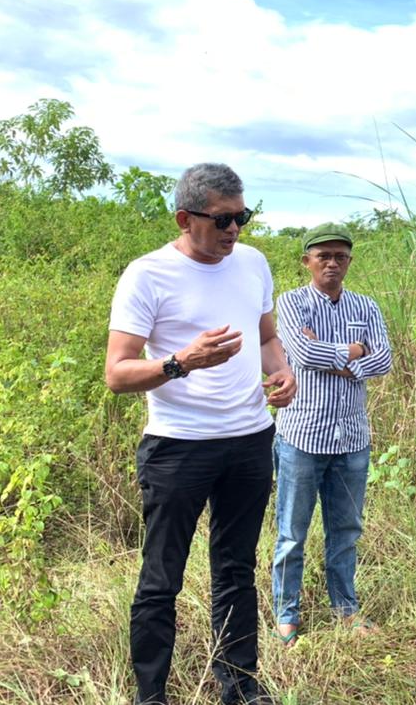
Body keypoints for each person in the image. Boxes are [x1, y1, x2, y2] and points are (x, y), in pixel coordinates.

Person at [105, 163, 297, 705]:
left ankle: (241, 688)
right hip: (178, 445)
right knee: (161, 577)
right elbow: (117, 373)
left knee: (237, 567)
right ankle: (151, 696)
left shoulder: (253, 263)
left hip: (250, 439)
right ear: (185, 218)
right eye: (222, 221)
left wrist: (281, 372)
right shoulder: (147, 274)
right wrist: (180, 363)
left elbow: (266, 337)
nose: (235, 230)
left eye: (243, 217)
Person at [270, 223, 392, 644]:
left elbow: (383, 361)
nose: (332, 263)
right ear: (307, 261)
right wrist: (355, 350)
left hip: (352, 439)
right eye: (323, 256)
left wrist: (340, 357)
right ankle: (287, 613)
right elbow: (301, 354)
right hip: (302, 434)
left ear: (350, 261)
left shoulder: (366, 307)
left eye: (340, 256)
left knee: (346, 531)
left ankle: (345, 607)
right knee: (292, 531)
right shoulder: (291, 303)